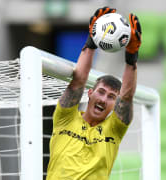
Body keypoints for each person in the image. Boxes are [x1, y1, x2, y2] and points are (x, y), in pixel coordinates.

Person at [46, 7, 142, 180]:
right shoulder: (66, 118)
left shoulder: (113, 129)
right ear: (90, 93)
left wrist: (131, 56)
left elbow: (127, 97)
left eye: (112, 97)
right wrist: (91, 41)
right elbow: (78, 80)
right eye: (101, 92)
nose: (104, 99)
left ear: (115, 104)